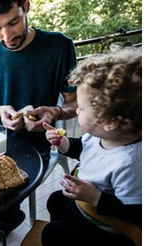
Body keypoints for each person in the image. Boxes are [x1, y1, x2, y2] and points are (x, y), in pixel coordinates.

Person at [0, 0, 78, 243]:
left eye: (13, 22)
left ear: (26, 7)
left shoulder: (60, 45)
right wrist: (1, 111)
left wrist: (55, 112)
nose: (6, 36)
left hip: (36, 145)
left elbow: (74, 105)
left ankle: (6, 217)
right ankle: (5, 216)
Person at [41, 47, 141, 246]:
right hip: (84, 204)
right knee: (55, 201)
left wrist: (95, 197)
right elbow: (83, 149)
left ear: (109, 121)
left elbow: (135, 215)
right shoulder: (102, 136)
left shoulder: (131, 163)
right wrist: (64, 143)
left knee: (51, 234)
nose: (77, 111)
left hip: (104, 227)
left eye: (82, 108)